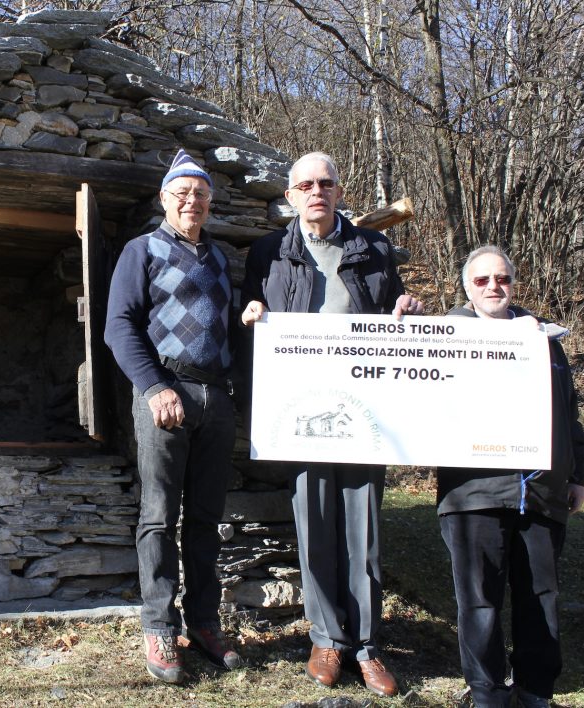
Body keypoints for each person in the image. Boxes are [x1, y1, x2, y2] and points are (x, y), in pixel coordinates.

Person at [240, 151, 423, 697]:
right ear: (290, 196)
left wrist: (406, 312)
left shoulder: (373, 251)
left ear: (340, 191)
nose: (316, 191)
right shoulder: (269, 253)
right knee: (313, 521)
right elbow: (250, 322)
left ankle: (367, 646)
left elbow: (395, 319)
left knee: (362, 529)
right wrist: (250, 318)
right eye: (305, 184)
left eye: (325, 182)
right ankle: (326, 638)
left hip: (365, 412)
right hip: (301, 414)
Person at [104, 149, 242, 684]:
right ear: (164, 198)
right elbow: (119, 325)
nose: (192, 201)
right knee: (159, 516)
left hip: (216, 397)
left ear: (210, 202)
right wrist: (156, 387)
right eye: (182, 193)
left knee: (207, 519)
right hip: (166, 392)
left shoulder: (219, 258)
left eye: (201, 194)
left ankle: (204, 622)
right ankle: (159, 625)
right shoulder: (143, 250)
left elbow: (229, 327)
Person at [437, 245, 584, 708]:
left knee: (541, 596)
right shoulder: (445, 335)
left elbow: (569, 412)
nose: (493, 287)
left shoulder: (546, 340)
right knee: (478, 601)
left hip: (541, 490)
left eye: (501, 278)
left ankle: (535, 690)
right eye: (482, 280)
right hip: (473, 494)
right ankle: (485, 691)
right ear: (467, 288)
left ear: (514, 284)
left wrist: (578, 473)